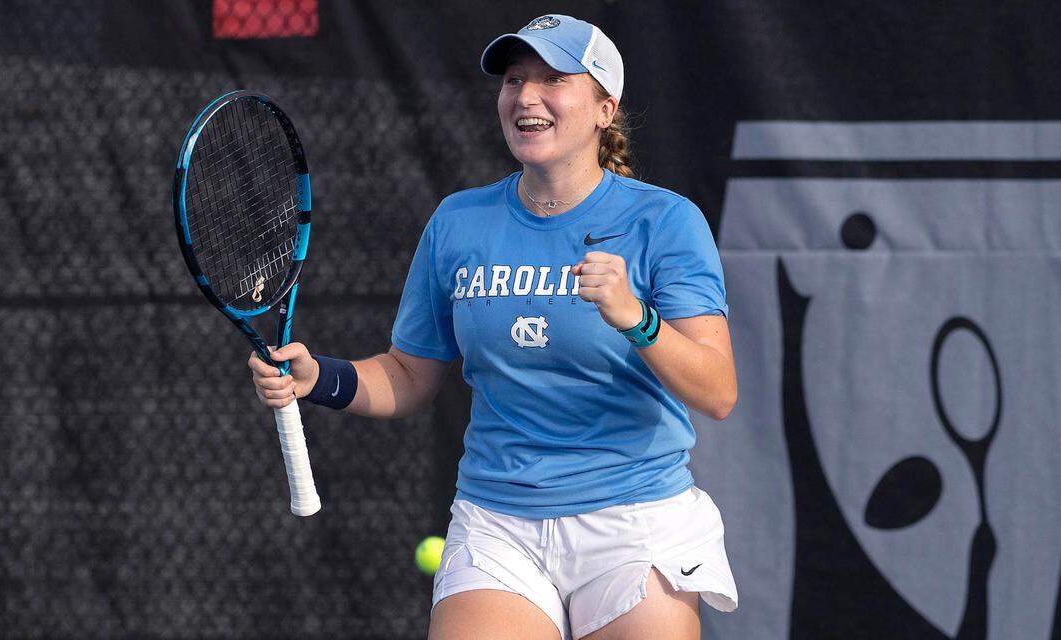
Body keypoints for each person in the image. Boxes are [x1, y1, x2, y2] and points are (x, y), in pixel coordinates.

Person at [249, 14, 739, 640]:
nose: (526, 97)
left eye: (554, 79)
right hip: (499, 522)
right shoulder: (459, 222)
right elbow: (408, 374)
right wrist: (319, 378)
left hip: (636, 520)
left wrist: (636, 319)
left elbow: (718, 391)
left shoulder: (665, 221)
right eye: (514, 80)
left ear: (604, 107)